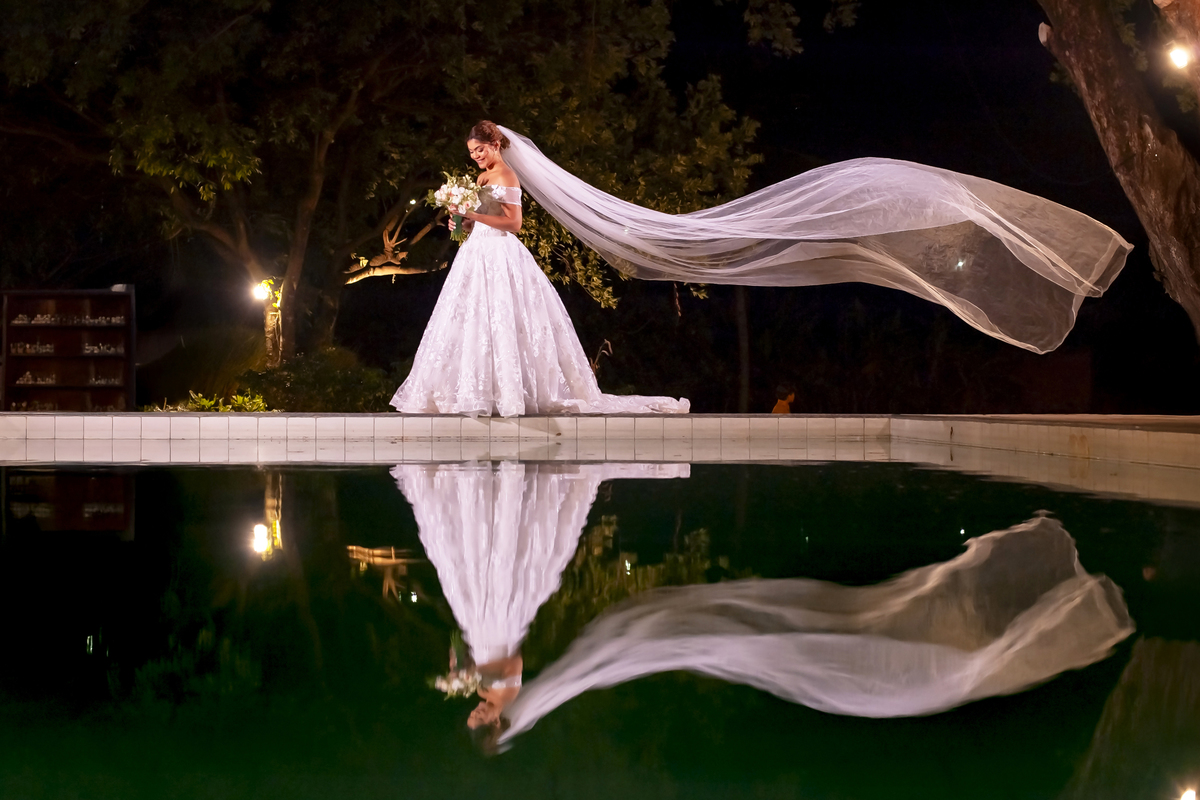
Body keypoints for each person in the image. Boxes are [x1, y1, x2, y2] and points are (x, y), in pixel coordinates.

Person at [389, 121, 689, 417]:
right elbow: (477, 222)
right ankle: (476, 392)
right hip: (476, 253)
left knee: (504, 320)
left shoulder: (506, 175)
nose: (475, 156)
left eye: (479, 149)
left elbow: (513, 223)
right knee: (473, 320)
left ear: (495, 145)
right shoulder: (481, 178)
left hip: (500, 252)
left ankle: (511, 394)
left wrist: (474, 216)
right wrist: (462, 221)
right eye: (471, 151)